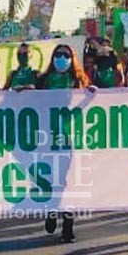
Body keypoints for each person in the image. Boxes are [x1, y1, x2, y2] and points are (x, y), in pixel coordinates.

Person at [34, 45, 91, 243]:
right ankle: (51, 211)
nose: (61, 58)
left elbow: (85, 102)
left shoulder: (78, 80)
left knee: (67, 182)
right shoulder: (43, 80)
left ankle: (68, 226)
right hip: (46, 136)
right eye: (58, 55)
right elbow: (32, 100)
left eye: (66, 55)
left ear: (72, 58)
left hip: (68, 137)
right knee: (49, 178)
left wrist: (92, 93)